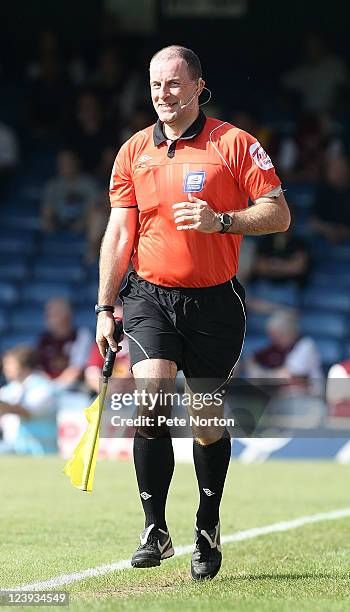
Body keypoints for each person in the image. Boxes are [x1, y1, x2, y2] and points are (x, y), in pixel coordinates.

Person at [96, 45, 290, 580]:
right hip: (149, 297)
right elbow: (119, 233)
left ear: (199, 86)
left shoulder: (235, 144)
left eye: (174, 84)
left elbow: (278, 214)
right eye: (156, 85)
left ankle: (207, 525)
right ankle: (155, 529)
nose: (163, 94)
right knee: (152, 402)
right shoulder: (134, 151)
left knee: (205, 418)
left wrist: (221, 222)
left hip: (214, 303)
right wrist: (106, 305)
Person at [0, 345, 57, 455]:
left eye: (10, 364)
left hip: (42, 449)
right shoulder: (11, 388)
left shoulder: (43, 386)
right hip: (15, 446)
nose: (5, 368)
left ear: (24, 366)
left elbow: (26, 411)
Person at [37, 297, 93, 389]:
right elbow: (39, 368)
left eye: (54, 314)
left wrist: (56, 388)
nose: (49, 319)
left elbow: (77, 369)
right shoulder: (44, 339)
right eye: (48, 315)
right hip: (47, 388)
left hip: (75, 387)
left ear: (67, 316)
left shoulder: (82, 335)